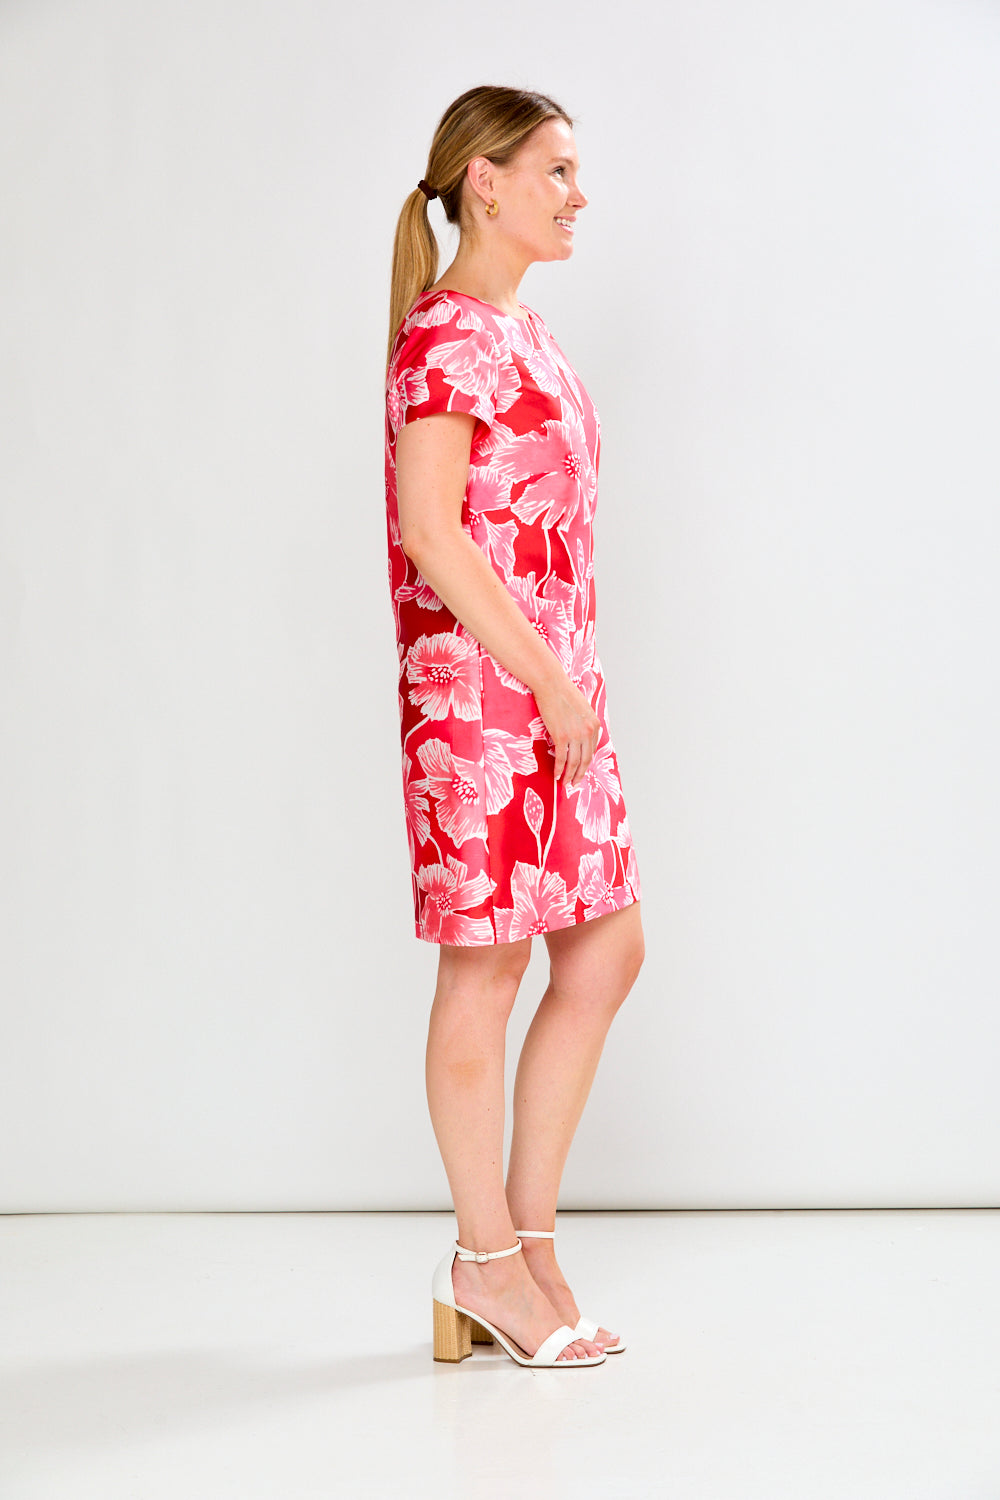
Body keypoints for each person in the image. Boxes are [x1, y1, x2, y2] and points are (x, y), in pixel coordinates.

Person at [384, 85, 645, 1369]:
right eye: (554, 168)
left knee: (604, 951)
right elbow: (434, 533)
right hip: (486, 702)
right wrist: (542, 678)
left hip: (557, 697)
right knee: (484, 970)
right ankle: (483, 1260)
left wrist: (569, 684)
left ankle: (526, 1246)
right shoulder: (443, 338)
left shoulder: (527, 336)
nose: (576, 192)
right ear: (483, 180)